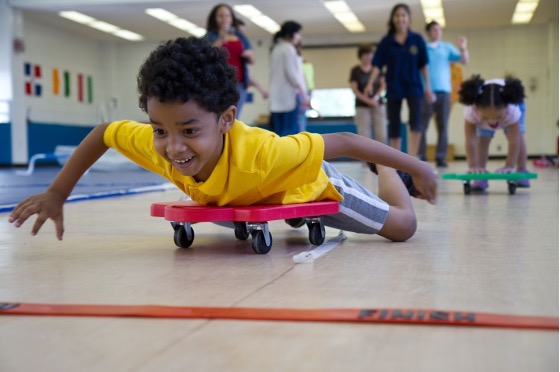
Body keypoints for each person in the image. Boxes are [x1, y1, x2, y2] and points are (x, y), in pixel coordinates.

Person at [8, 37, 437, 244]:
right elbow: (105, 133)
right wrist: (57, 192)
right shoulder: (162, 146)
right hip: (257, 194)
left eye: (190, 131)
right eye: (160, 130)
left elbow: (343, 139)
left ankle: (387, 173)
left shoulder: (264, 152)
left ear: (226, 119)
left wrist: (416, 167)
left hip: (304, 180)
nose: (173, 147)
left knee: (403, 228)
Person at [365, 3, 435, 156]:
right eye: (397, 15)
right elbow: (377, 65)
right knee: (394, 123)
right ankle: (397, 158)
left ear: (409, 19)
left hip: (414, 85)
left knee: (416, 122)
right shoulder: (386, 41)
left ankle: (412, 157)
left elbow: (424, 65)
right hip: (394, 85)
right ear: (393, 19)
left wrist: (428, 87)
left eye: (403, 15)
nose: (400, 18)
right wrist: (370, 83)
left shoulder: (417, 39)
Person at [458, 75, 527, 191]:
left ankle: (522, 169)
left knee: (519, 136)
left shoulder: (512, 109)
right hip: (488, 109)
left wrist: (509, 165)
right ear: (476, 108)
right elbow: (470, 140)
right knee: (483, 138)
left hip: (511, 104)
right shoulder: (472, 111)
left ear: (505, 107)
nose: (493, 122)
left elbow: (514, 141)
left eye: (497, 117)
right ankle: (480, 173)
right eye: (486, 117)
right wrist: (473, 165)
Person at [418, 21, 469, 167]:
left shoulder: (446, 47)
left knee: (443, 126)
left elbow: (464, 61)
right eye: (434, 30)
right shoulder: (423, 48)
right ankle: (421, 156)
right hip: (426, 91)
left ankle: (441, 157)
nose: (437, 32)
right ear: (428, 32)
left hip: (444, 92)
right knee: (422, 126)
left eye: (439, 30)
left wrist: (463, 47)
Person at [204, 3, 255, 118]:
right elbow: (206, 56)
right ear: (214, 18)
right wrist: (221, 37)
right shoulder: (210, 36)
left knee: (235, 115)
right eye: (220, 16)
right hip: (218, 83)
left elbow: (252, 59)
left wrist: (247, 54)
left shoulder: (240, 36)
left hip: (239, 82)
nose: (225, 19)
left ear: (232, 18)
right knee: (219, 115)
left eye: (227, 16)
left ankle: (232, 136)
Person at [269, 21, 309, 136]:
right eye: (298, 33)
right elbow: (293, 77)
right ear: (291, 33)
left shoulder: (275, 49)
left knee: (278, 134)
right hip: (288, 99)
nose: (300, 37)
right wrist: (304, 96)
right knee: (290, 134)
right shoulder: (288, 49)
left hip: (276, 99)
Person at [349, 44, 388, 144]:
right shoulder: (355, 71)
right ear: (361, 56)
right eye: (365, 55)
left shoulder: (377, 69)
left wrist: (376, 98)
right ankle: (367, 158)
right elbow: (355, 89)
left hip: (378, 104)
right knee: (364, 134)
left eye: (370, 55)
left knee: (382, 133)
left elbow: (383, 85)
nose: (368, 57)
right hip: (362, 106)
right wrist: (368, 101)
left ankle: (381, 157)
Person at [235, 19, 269, 100]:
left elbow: (247, 74)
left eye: (242, 32)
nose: (241, 36)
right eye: (238, 32)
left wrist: (261, 89)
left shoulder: (242, 53)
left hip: (239, 84)